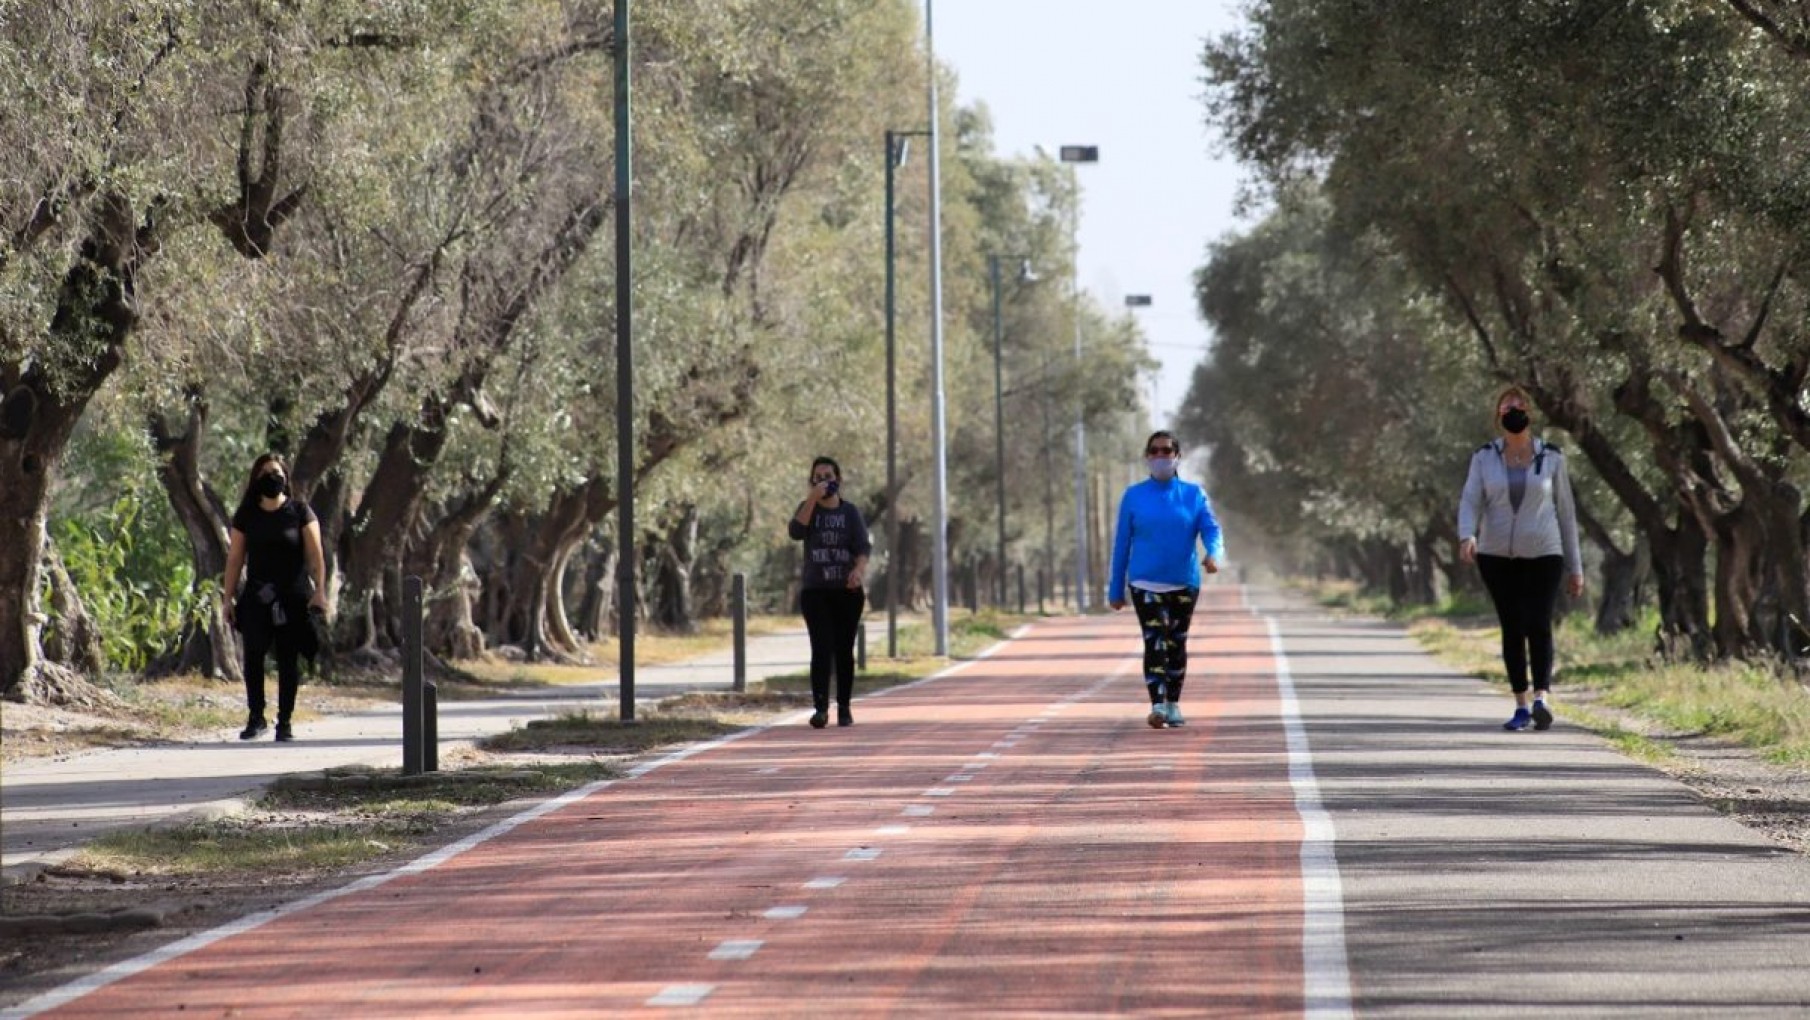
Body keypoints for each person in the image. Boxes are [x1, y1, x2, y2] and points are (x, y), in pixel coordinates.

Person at [1457, 386, 1585, 732]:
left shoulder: (1552, 457)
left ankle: (1542, 697)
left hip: (1544, 551)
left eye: (1518, 406)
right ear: (1498, 416)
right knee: (1512, 627)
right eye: (1506, 407)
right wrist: (1467, 534)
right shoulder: (1484, 457)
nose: (1513, 411)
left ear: (1529, 412)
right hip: (1496, 554)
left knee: (1538, 623)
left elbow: (1567, 513)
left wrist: (1576, 568)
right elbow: (1470, 499)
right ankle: (1521, 705)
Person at [1108, 431, 1224, 729]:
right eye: (1156, 451)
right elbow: (1122, 544)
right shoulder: (1134, 496)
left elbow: (1211, 530)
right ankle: (1157, 704)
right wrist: (1115, 588)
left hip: (1184, 583)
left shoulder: (1193, 494)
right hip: (1145, 582)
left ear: (1177, 457)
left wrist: (1214, 555)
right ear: (1148, 456)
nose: (1161, 456)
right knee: (1155, 640)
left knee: (1176, 643)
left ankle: (1173, 703)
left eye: (1167, 451)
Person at [223, 454, 329, 742]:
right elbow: (234, 560)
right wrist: (228, 598)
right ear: (256, 479)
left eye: (277, 472)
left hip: (293, 597)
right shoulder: (246, 515)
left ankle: (285, 721)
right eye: (266, 473)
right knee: (253, 657)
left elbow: (316, 555)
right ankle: (256, 717)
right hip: (257, 597)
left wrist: (320, 590)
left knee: (287, 659)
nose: (272, 477)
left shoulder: (300, 512)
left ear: (286, 477)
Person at [787, 456, 872, 729]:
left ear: (838, 479)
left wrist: (858, 571)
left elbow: (863, 548)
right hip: (816, 592)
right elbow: (796, 532)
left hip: (847, 592)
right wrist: (812, 499)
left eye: (828, 476)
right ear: (812, 481)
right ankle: (821, 708)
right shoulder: (807, 509)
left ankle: (844, 708)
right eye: (818, 476)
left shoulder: (850, 513)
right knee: (821, 649)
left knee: (844, 650)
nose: (824, 480)